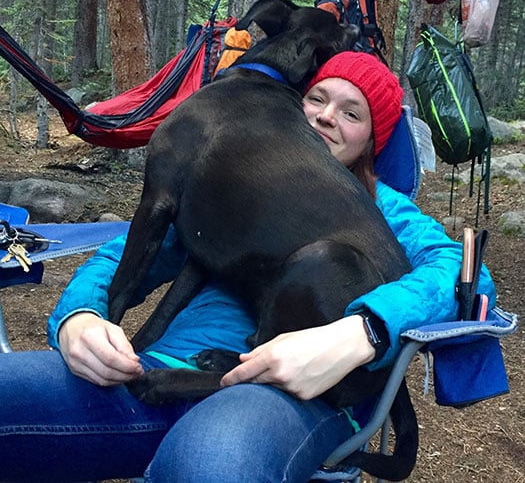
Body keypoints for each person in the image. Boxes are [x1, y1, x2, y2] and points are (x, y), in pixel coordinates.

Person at [0, 51, 496, 482]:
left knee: (212, 464)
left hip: (293, 396)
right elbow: (124, 252)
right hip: (152, 374)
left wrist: (362, 330)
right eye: (317, 98)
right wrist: (80, 316)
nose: (325, 117)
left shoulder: (381, 209)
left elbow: (465, 272)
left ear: (371, 142)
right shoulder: (230, 185)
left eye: (351, 114)